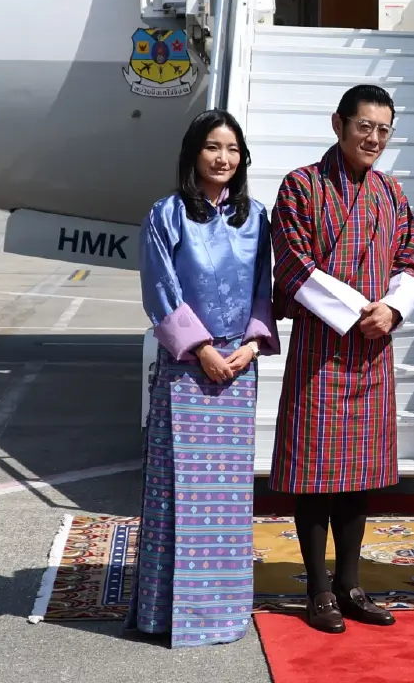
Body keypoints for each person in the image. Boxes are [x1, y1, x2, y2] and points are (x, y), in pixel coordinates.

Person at [268, 84, 414, 634]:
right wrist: (361, 310)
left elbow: (408, 263)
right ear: (338, 124)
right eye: (365, 127)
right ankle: (317, 590)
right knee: (315, 476)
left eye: (384, 129)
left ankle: (350, 584)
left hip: (372, 351)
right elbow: (291, 265)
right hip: (320, 349)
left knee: (360, 477)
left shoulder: (391, 192)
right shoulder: (300, 186)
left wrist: (394, 312)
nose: (374, 139)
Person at [125, 108, 280, 648]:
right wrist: (203, 349)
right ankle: (166, 613)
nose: (224, 158)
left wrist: (254, 344)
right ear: (194, 153)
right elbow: (160, 289)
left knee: (229, 498)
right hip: (189, 369)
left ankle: (223, 612)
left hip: (239, 370)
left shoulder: (255, 216)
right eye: (214, 147)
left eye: (233, 149)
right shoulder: (166, 214)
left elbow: (265, 287)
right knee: (177, 490)